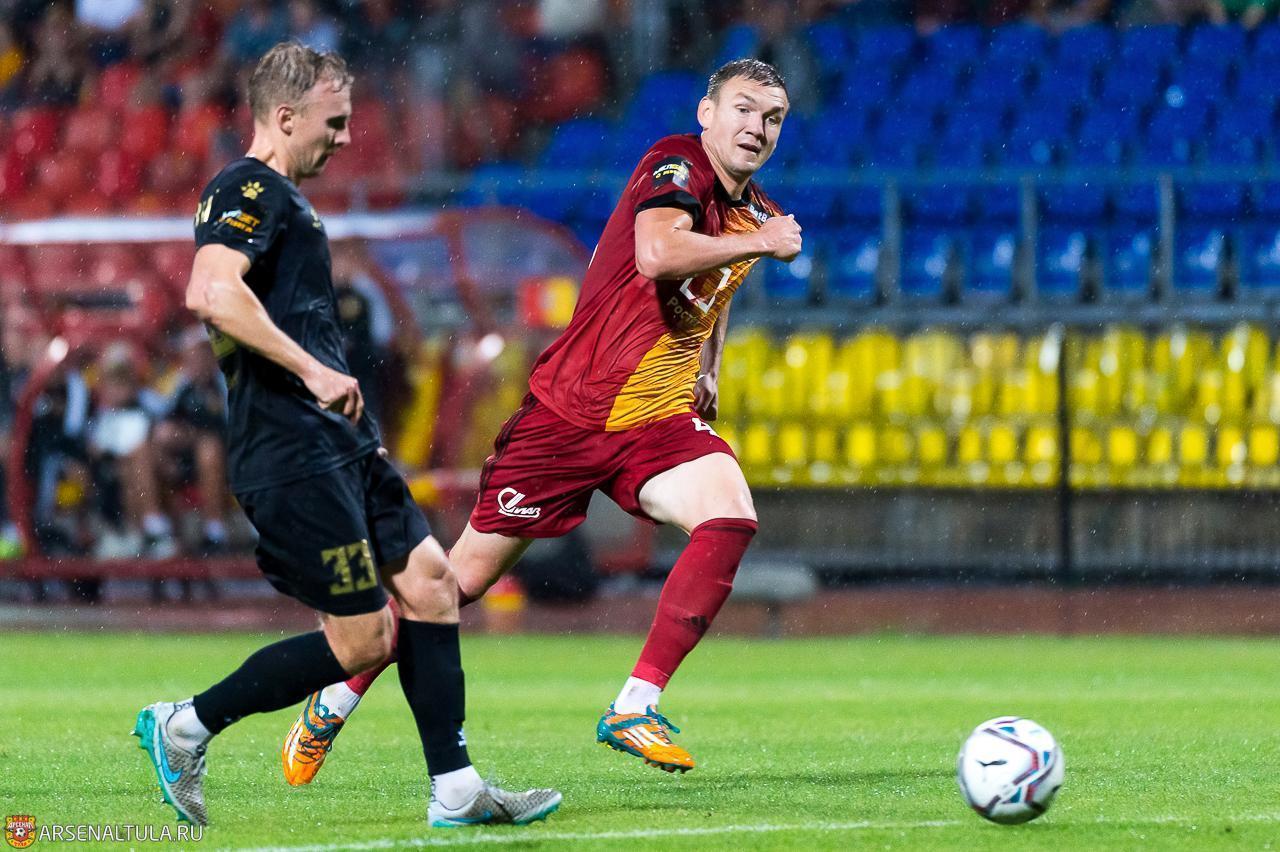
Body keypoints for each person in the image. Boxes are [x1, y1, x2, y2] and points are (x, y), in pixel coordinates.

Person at [281, 57, 801, 782]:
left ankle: (635, 704)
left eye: (772, 117)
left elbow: (712, 290)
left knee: (730, 516)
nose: (757, 127)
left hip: (654, 419)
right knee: (456, 585)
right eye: (743, 108)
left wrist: (708, 365)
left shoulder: (755, 213)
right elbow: (658, 254)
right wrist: (760, 243)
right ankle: (333, 701)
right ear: (707, 114)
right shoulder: (676, 163)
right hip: (569, 417)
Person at [132, 41, 561, 829]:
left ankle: (456, 789)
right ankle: (185, 726)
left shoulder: (285, 200)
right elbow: (210, 291)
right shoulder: (247, 187)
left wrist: (340, 405)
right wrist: (314, 372)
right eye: (334, 122)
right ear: (283, 116)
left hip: (339, 443)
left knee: (431, 585)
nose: (347, 137)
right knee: (364, 643)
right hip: (289, 448)